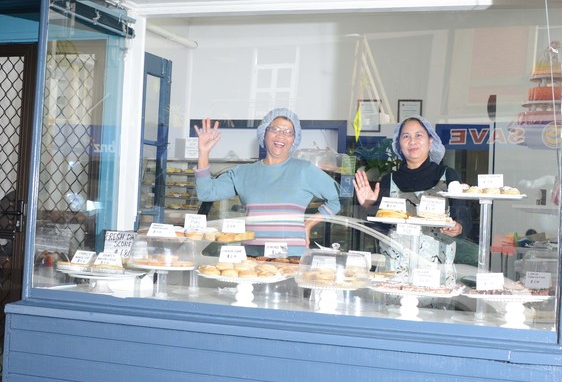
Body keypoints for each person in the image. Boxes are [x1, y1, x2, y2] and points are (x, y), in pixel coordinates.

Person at [193, 108, 341, 255]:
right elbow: (206, 193)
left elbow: (338, 198)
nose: (281, 135)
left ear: (294, 139)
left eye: (288, 132)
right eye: (275, 129)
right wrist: (203, 153)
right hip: (252, 258)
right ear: (264, 132)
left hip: (291, 258)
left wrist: (309, 223)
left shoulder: (305, 170)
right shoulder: (242, 173)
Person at [353, 115, 472, 272]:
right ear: (399, 144)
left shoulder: (447, 175)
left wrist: (459, 227)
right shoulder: (389, 180)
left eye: (418, 135)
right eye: (406, 136)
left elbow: (462, 215)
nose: (412, 141)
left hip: (435, 272)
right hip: (395, 272)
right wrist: (370, 206)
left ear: (431, 141)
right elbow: (381, 229)